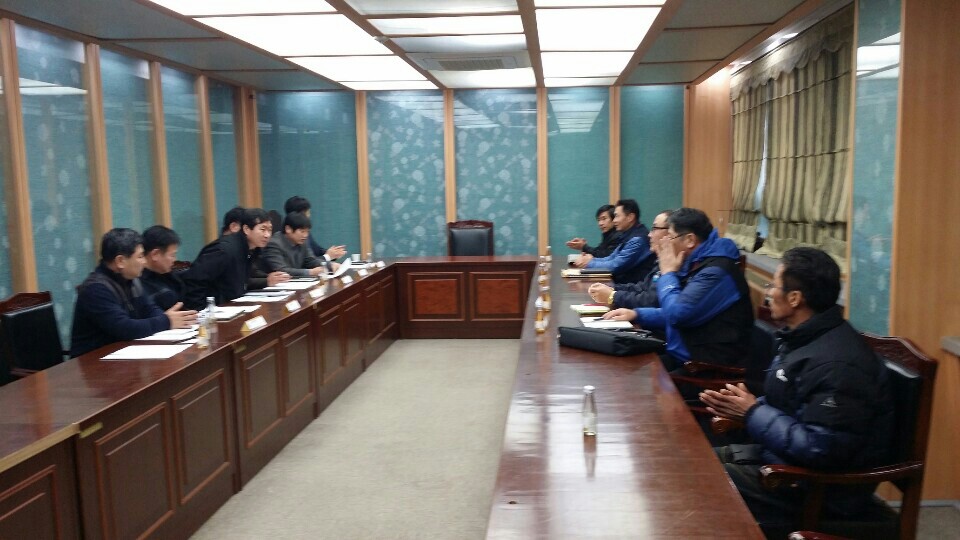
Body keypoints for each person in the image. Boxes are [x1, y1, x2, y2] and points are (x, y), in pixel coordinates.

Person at [700, 247, 893, 528]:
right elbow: (792, 406)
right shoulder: (803, 339)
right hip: (780, 460)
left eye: (773, 286)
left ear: (795, 298)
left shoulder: (838, 364)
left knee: (698, 482)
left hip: (818, 490)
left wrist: (753, 413)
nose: (768, 292)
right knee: (692, 461)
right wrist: (746, 407)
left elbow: (821, 449)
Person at [603, 207, 752, 371]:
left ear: (690, 240)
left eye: (671, 237)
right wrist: (638, 314)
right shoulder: (696, 262)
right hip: (685, 351)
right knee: (620, 364)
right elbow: (679, 309)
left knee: (633, 373)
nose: (666, 242)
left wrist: (668, 273)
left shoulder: (716, 271)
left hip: (705, 365)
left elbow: (677, 314)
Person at [70, 228, 197, 357]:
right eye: (140, 256)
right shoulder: (96, 289)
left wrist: (171, 319)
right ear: (120, 261)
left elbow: (149, 309)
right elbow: (125, 328)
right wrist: (166, 321)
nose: (144, 261)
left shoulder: (131, 279)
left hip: (122, 354)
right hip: (93, 361)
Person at [182, 208, 288, 310]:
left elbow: (241, 282)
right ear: (246, 229)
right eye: (262, 229)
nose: (267, 235)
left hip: (232, 306)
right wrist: (201, 312)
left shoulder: (252, 250)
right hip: (213, 310)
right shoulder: (224, 250)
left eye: (270, 230)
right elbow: (194, 280)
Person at [587, 209, 672, 309]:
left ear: (671, 233)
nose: (649, 235)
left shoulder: (638, 239)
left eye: (655, 228)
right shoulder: (625, 236)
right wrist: (611, 288)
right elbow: (642, 287)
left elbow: (651, 300)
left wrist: (613, 295)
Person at [572, 199, 655, 284]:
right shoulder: (627, 234)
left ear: (630, 217)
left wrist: (589, 263)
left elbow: (615, 265)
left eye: (617, 216)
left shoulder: (638, 240)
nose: (614, 220)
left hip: (631, 287)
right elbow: (611, 258)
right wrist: (591, 260)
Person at [261, 212, 329, 277]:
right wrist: (310, 272)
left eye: (307, 231)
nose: (305, 235)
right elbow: (281, 270)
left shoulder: (302, 241)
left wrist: (329, 265)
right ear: (288, 229)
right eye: (302, 231)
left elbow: (311, 261)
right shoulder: (274, 244)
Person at [284, 196, 346, 263]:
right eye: (307, 213)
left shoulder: (305, 232)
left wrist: (334, 253)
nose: (309, 216)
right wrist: (328, 256)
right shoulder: (291, 237)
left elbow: (317, 250)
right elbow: (306, 263)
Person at [139, 225, 184, 311]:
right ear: (155, 254)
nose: (175, 260)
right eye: (172, 255)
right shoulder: (137, 282)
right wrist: (165, 317)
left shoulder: (170, 276)